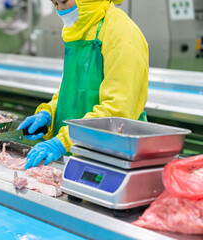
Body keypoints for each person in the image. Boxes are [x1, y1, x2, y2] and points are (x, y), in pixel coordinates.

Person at [18, 0, 148, 169]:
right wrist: (49, 114)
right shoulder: (81, 31)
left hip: (112, 154)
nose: (61, 10)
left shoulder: (121, 34)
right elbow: (72, 91)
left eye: (64, 2)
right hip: (78, 149)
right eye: (55, 4)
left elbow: (117, 113)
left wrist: (64, 140)